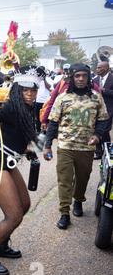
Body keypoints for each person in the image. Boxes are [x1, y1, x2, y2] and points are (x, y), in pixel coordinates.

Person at [0, 66, 45, 275]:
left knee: (24, 205)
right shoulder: (10, 106)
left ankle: (2, 245)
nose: (30, 94)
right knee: (14, 215)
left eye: (33, 89)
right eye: (25, 90)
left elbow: (21, 137)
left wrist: (31, 151)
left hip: (8, 162)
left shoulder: (29, 108)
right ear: (17, 90)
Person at [44, 63, 110, 230]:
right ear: (72, 78)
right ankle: (64, 212)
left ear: (88, 77)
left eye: (84, 76)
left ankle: (78, 200)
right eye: (77, 76)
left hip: (86, 148)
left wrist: (97, 135)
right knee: (64, 180)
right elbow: (53, 122)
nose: (81, 79)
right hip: (65, 146)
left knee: (83, 178)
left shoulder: (96, 97)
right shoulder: (63, 98)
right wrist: (47, 145)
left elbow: (103, 120)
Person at [93, 61, 113, 159]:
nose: (97, 69)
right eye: (97, 67)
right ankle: (98, 152)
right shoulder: (95, 80)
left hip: (109, 109)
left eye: (99, 67)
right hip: (96, 110)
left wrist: (105, 91)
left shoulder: (112, 78)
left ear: (105, 68)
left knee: (105, 131)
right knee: (96, 130)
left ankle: (107, 152)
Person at [34, 66, 51, 133]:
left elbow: (49, 87)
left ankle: (45, 131)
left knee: (45, 117)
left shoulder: (48, 79)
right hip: (38, 101)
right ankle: (38, 131)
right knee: (38, 117)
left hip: (46, 102)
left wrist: (44, 79)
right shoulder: (36, 79)